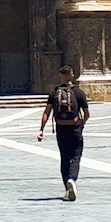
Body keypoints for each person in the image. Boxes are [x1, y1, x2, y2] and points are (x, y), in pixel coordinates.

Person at [36, 66, 91, 201]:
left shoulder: (54, 92)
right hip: (75, 128)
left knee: (64, 157)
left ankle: (67, 185)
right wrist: (82, 124)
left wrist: (41, 130)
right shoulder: (78, 92)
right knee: (76, 155)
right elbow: (87, 113)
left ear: (61, 76)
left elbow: (47, 112)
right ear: (72, 75)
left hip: (61, 129)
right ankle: (72, 179)